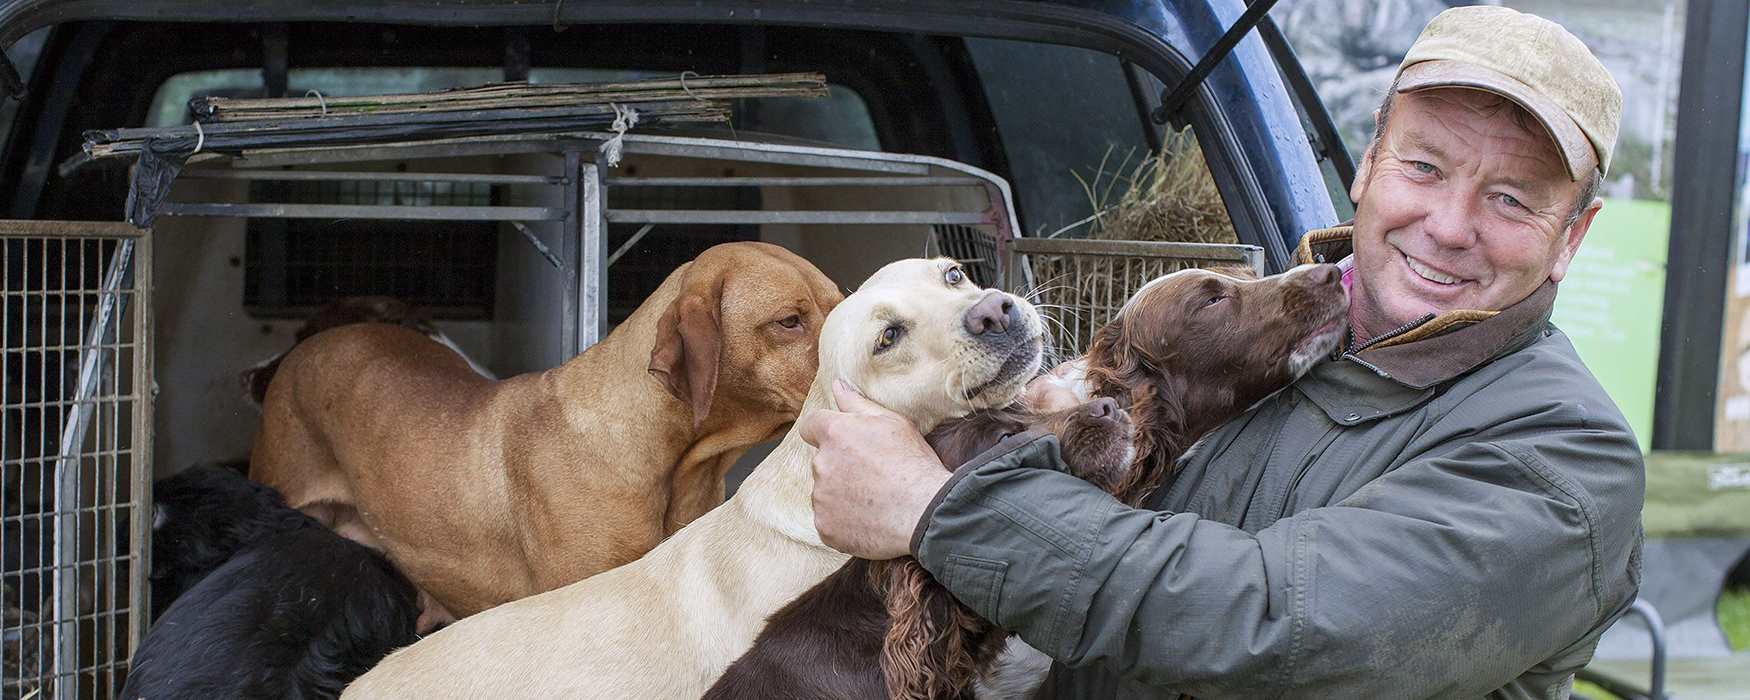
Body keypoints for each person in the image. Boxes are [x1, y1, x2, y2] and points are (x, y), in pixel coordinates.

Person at [798, 6, 1642, 698]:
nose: (1451, 226)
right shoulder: (1269, 348)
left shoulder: (1561, 458)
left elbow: (1286, 630)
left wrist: (934, 507)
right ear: (1368, 164)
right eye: (1424, 166)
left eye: (1510, 198)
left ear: (1571, 238)